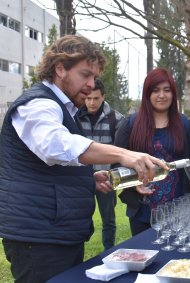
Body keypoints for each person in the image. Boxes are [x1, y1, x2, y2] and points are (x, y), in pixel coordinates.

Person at [0, 34, 166, 283]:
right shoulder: (37, 104)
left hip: (58, 233)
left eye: (94, 76)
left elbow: (54, 166)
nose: (91, 83)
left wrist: (88, 179)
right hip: (39, 239)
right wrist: (123, 153)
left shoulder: (63, 107)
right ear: (60, 68)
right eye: (85, 74)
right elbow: (55, 145)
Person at [114, 67, 190, 236]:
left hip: (180, 211)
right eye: (156, 90)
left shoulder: (185, 125)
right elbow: (117, 163)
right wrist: (134, 184)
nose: (162, 95)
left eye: (167, 90)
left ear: (173, 94)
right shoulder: (130, 125)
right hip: (142, 212)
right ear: (147, 94)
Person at [77, 79, 125, 251]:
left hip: (106, 179)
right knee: (79, 219)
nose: (91, 102)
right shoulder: (75, 118)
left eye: (96, 98)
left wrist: (114, 177)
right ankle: (76, 252)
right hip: (81, 179)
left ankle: (109, 251)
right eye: (88, 98)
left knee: (108, 220)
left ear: (103, 97)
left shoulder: (116, 118)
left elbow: (121, 152)